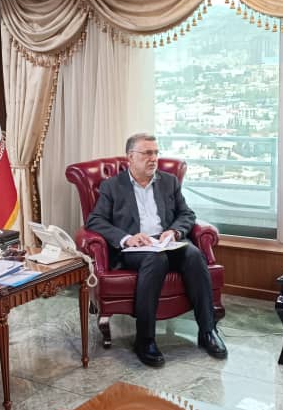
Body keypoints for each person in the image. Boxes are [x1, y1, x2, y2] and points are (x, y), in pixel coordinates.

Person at [86, 133, 227, 367]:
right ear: (131, 157)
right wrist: (127, 239)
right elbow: (95, 221)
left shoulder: (168, 181)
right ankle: (145, 340)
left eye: (155, 153)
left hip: (167, 242)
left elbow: (187, 214)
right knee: (156, 260)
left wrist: (175, 232)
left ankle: (207, 331)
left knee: (194, 255)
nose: (153, 158)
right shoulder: (112, 186)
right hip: (137, 249)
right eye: (147, 153)